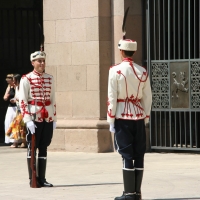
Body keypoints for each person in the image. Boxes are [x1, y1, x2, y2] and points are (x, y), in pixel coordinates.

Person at [107, 39, 152, 200]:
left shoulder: (115, 70)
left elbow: (112, 97)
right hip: (139, 117)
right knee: (139, 154)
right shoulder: (142, 71)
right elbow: (148, 97)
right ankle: (137, 193)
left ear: (121, 51)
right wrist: (146, 116)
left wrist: (110, 119)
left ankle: (129, 193)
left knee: (126, 154)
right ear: (134, 51)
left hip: (122, 116)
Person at [19, 51, 57, 187]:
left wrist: (54, 118)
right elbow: (22, 101)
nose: (41, 63)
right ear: (32, 63)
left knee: (44, 147)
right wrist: (27, 119)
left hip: (47, 117)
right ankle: (32, 178)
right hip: (34, 117)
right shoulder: (26, 79)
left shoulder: (50, 78)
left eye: (43, 60)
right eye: (39, 61)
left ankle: (42, 178)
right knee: (32, 147)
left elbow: (53, 99)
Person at [6, 74, 27, 148]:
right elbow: (16, 97)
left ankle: (22, 142)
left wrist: (17, 100)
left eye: (14, 80)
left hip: (23, 109)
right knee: (18, 125)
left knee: (19, 125)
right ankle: (21, 142)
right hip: (18, 109)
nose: (13, 82)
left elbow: (24, 98)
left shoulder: (22, 87)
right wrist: (14, 100)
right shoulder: (16, 88)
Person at [4, 74, 17, 144]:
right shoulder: (9, 87)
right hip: (10, 107)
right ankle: (9, 140)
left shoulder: (16, 86)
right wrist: (7, 96)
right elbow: (5, 97)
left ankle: (16, 141)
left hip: (16, 106)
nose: (9, 83)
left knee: (15, 123)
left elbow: (17, 95)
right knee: (8, 122)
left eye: (10, 81)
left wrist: (15, 99)